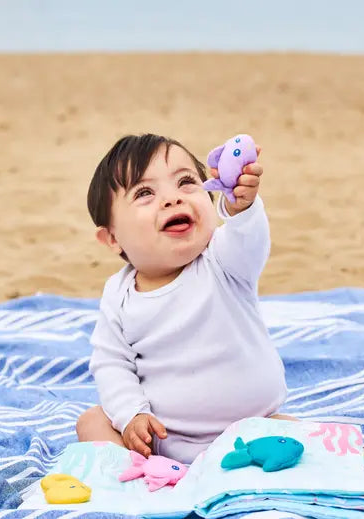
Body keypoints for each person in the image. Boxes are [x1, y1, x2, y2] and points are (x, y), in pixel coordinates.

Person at [76, 133, 290, 464]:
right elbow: (111, 364)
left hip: (252, 429)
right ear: (112, 237)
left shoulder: (223, 260)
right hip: (164, 439)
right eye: (145, 193)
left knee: (296, 436)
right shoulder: (118, 295)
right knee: (92, 422)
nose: (173, 199)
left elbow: (249, 240)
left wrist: (241, 209)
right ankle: (144, 478)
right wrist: (132, 415)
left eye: (187, 182)